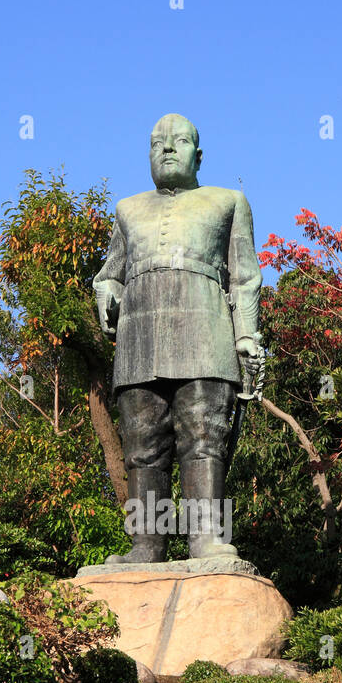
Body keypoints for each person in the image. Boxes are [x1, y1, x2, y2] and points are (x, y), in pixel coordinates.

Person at [94, 113, 263, 562]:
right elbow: (110, 272)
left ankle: (207, 540)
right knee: (141, 445)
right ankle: (145, 545)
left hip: (205, 332)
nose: (167, 148)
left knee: (204, 436)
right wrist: (106, 289)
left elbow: (245, 277)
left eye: (179, 141)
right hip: (139, 338)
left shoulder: (228, 201)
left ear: (198, 154)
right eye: (156, 143)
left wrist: (246, 335)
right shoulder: (127, 210)